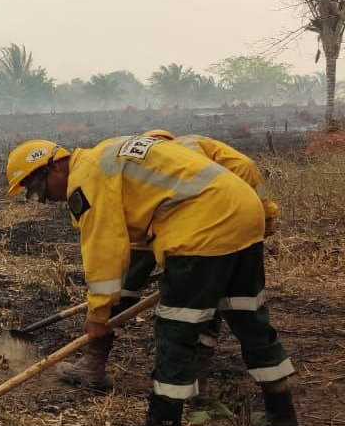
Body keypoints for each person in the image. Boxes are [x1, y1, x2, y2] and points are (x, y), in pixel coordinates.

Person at [5, 135, 300, 426]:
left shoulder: (87, 180)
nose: (44, 201)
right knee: (250, 319)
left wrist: (98, 316)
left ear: (54, 166)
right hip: (245, 214)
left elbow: (104, 249)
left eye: (39, 190)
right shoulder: (111, 155)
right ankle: (283, 424)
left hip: (202, 227)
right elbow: (138, 243)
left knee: (175, 328)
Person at [55, 129, 279, 391]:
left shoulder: (188, 149)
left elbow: (245, 167)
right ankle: (100, 358)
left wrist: (266, 213)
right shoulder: (152, 156)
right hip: (174, 223)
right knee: (219, 306)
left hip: (198, 227)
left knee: (186, 314)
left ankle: (181, 388)